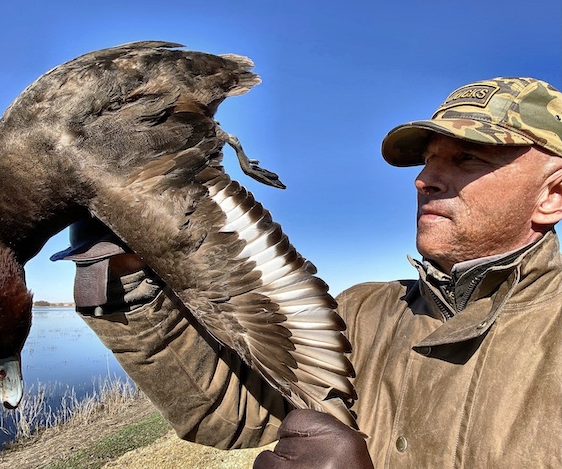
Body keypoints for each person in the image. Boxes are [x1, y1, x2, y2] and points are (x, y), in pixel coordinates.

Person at [54, 77, 562, 468]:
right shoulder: (363, 310)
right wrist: (127, 280)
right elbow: (238, 413)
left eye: (467, 159)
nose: (424, 180)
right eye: (427, 161)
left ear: (552, 195)